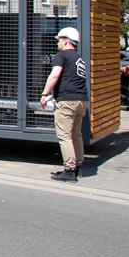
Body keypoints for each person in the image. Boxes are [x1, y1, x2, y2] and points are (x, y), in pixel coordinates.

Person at [40, 26, 88, 182]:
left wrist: (45, 93)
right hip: (81, 100)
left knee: (64, 136)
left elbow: (55, 75)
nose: (58, 43)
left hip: (67, 101)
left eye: (59, 40)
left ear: (66, 41)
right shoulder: (79, 58)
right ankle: (78, 166)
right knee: (76, 134)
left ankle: (69, 170)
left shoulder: (62, 55)